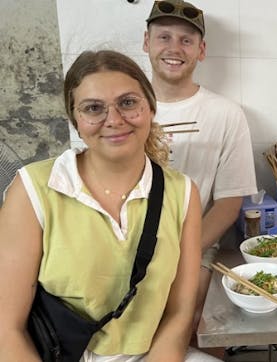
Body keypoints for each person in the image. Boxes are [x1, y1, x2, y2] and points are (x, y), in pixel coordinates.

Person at [0, 50, 219, 361]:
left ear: (150, 107)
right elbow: (6, 329)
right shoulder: (34, 190)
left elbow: (179, 314)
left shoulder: (181, 193)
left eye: (128, 103)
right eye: (93, 108)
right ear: (76, 120)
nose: (114, 120)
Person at [142, 0, 258, 332]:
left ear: (201, 50)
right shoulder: (125, 108)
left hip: (196, 245)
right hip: (127, 243)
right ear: (146, 42)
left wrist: (180, 254)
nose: (174, 48)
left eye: (186, 40)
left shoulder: (225, 114)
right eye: (163, 37)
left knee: (198, 319)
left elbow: (228, 203)